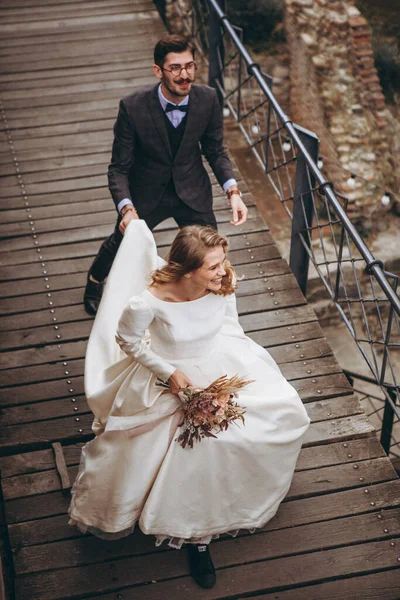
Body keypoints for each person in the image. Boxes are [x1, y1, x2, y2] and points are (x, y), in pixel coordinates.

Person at [69, 220, 310, 590]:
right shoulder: (148, 300)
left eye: (223, 261)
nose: (223, 270)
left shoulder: (223, 284)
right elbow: (128, 340)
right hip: (167, 377)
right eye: (213, 266)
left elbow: (229, 324)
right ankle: (196, 538)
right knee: (192, 449)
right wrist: (170, 374)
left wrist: (231, 377)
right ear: (186, 269)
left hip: (218, 364)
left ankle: (204, 532)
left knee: (271, 422)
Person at [83, 33, 248, 315]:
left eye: (189, 66)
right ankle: (94, 281)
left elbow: (215, 150)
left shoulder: (208, 99)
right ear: (158, 70)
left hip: (192, 189)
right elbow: (118, 168)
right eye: (175, 68)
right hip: (147, 192)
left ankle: (209, 298)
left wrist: (233, 192)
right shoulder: (132, 107)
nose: (185, 75)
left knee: (210, 251)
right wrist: (126, 209)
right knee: (121, 240)